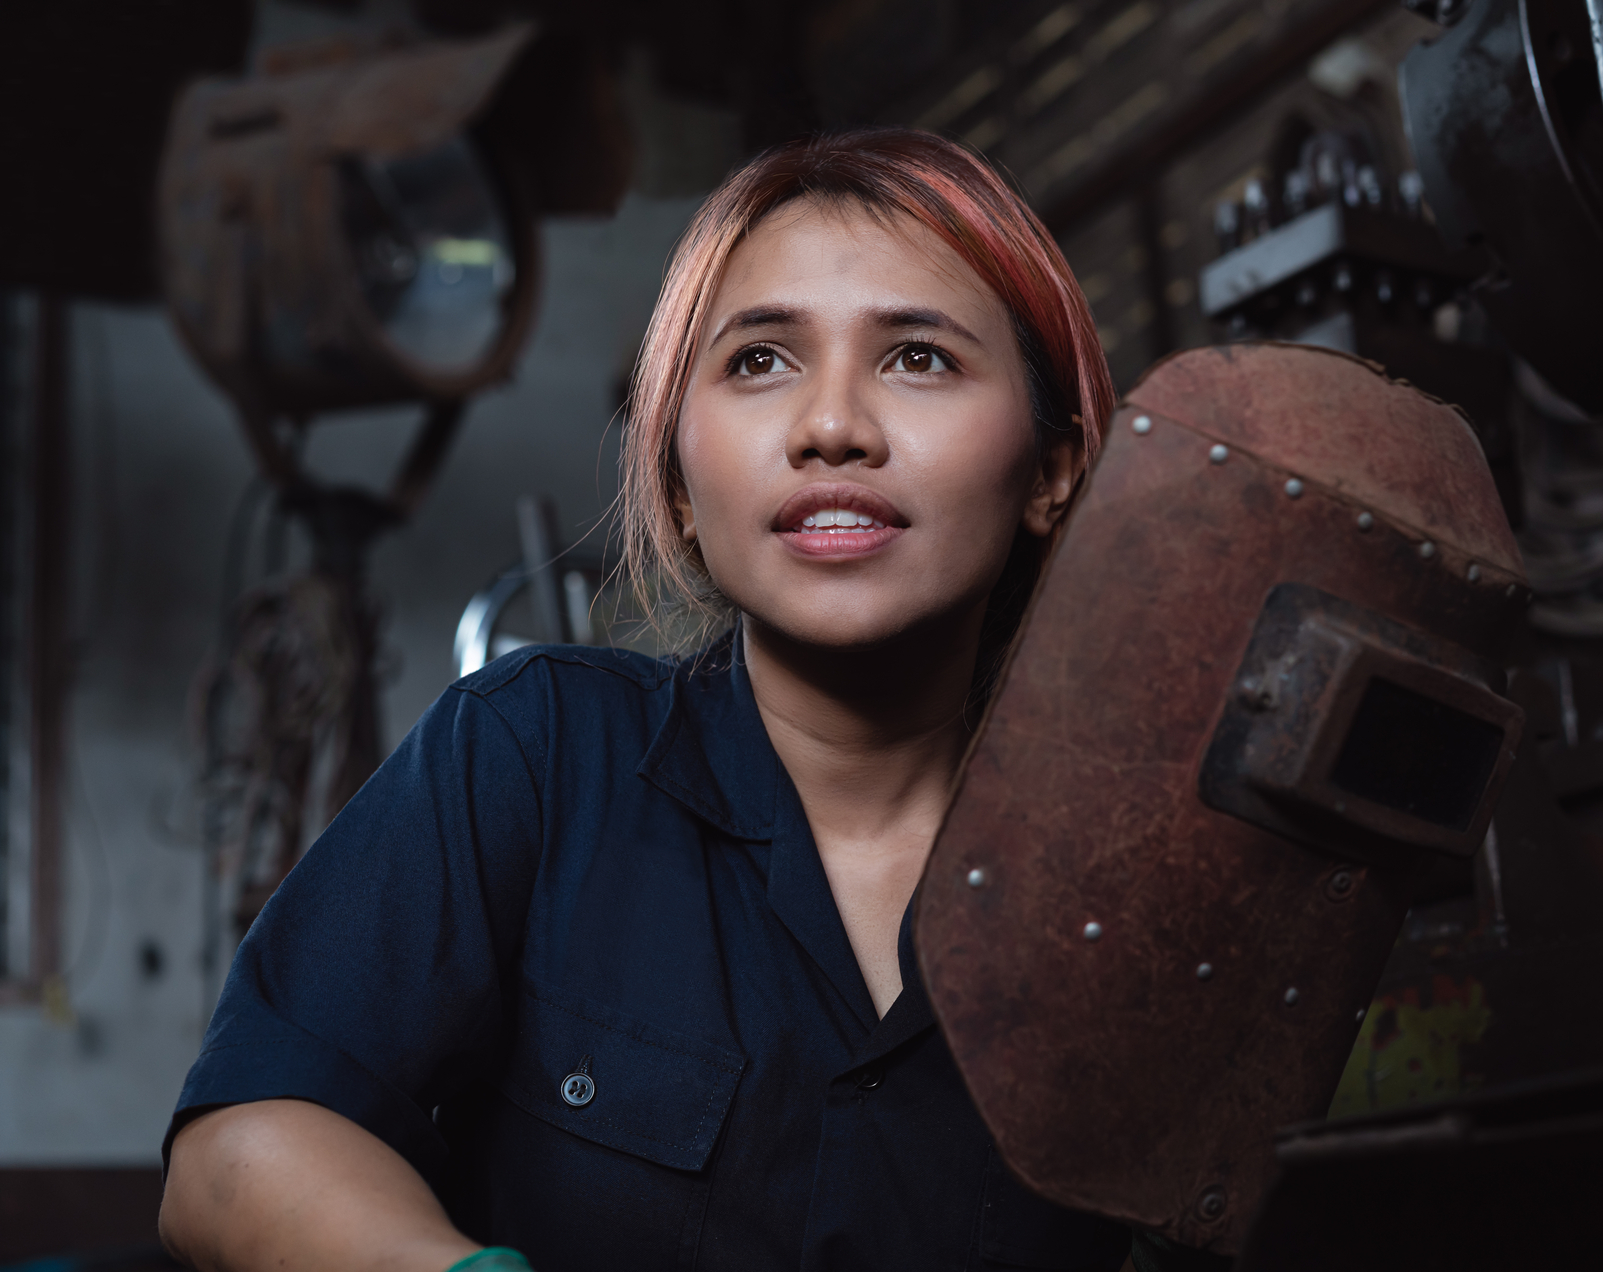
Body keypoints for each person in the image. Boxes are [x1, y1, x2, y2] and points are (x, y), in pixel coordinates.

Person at [159, 129, 1215, 1272]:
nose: (831, 427)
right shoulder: (533, 756)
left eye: (918, 358)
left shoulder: (1133, 882)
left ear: (1052, 471)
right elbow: (233, 1157)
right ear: (675, 479)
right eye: (759, 361)